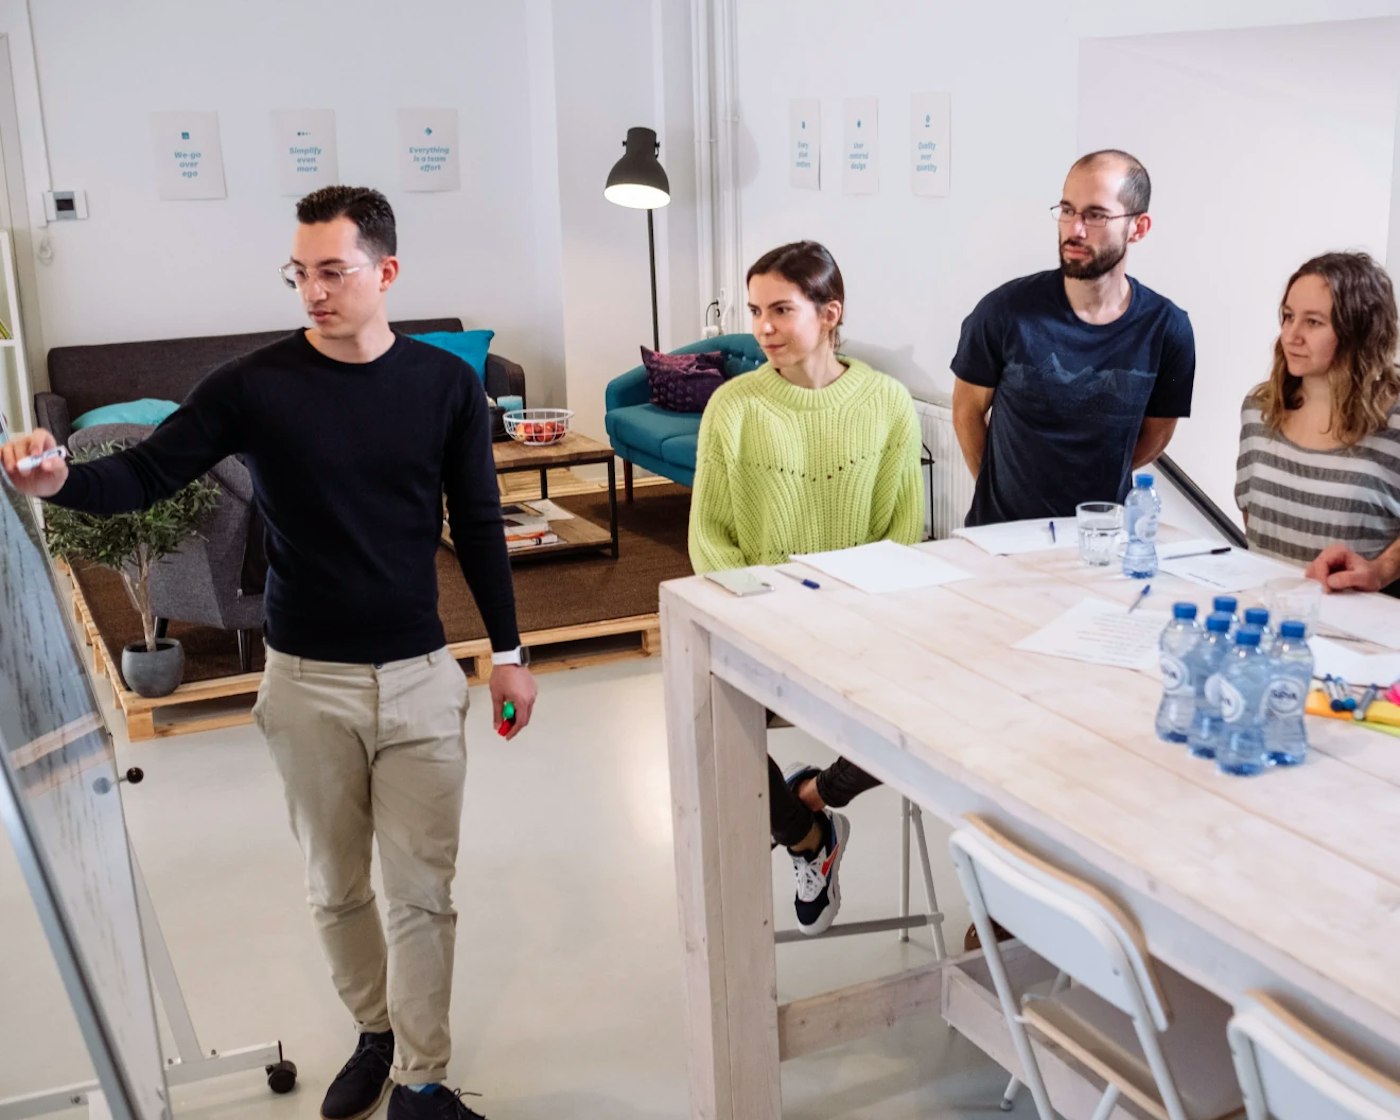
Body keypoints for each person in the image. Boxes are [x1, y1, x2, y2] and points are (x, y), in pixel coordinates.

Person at [0, 185, 536, 1120]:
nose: (313, 291)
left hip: (418, 676)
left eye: (333, 271)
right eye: (300, 273)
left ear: (387, 271)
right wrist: (58, 480)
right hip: (305, 682)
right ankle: (375, 1030)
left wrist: (510, 650)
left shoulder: (446, 386)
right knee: (335, 889)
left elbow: (480, 523)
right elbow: (147, 470)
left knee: (422, 894)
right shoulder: (253, 384)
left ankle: (421, 1080)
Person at [689, 240, 923, 935]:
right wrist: (774, 607)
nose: (762, 326)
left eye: (781, 310)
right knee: (702, 723)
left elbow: (902, 531)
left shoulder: (886, 402)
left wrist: (844, 610)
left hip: (862, 623)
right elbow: (711, 537)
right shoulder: (732, 406)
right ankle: (809, 837)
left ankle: (816, 793)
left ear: (830, 314)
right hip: (762, 623)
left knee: (921, 718)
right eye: (755, 310)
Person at [951, 149, 1196, 526]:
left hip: (1100, 540)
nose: (1075, 229)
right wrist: (998, 490)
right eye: (1067, 210)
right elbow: (966, 411)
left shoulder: (1167, 330)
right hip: (1000, 539)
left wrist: (1093, 479)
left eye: (1095, 215)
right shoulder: (1004, 311)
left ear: (1138, 227)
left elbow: (1156, 435)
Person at [1236, 251, 1400, 594]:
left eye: (1313, 322)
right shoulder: (1259, 408)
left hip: (1360, 630)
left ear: (1358, 329)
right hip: (1266, 616)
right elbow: (1254, 519)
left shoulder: (1395, 420)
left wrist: (1380, 570)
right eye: (1288, 316)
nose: (1291, 335)